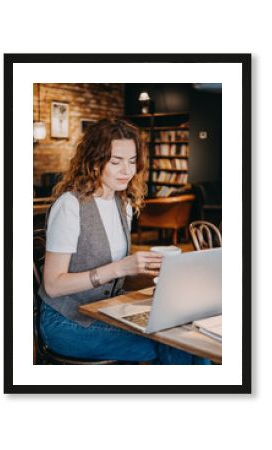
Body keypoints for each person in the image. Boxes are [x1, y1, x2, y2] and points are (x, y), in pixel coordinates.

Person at [39, 118, 210, 364]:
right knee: (179, 345)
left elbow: (116, 274)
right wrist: (121, 267)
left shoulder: (123, 202)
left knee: (190, 336)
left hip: (106, 310)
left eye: (132, 161)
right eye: (116, 161)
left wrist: (158, 273)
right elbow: (54, 285)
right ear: (94, 162)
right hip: (66, 323)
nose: (127, 171)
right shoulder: (70, 205)